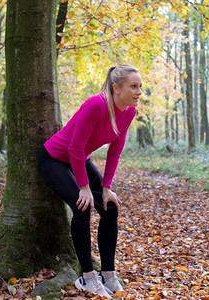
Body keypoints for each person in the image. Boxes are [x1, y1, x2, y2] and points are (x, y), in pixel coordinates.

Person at [38, 65, 142, 298]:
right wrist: (84, 188)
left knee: (110, 207)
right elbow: (74, 147)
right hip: (54, 159)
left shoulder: (128, 112)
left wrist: (106, 188)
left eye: (140, 87)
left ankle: (107, 274)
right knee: (82, 207)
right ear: (116, 88)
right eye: (133, 86)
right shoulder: (96, 105)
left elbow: (116, 148)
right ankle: (87, 277)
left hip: (79, 159)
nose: (139, 92)